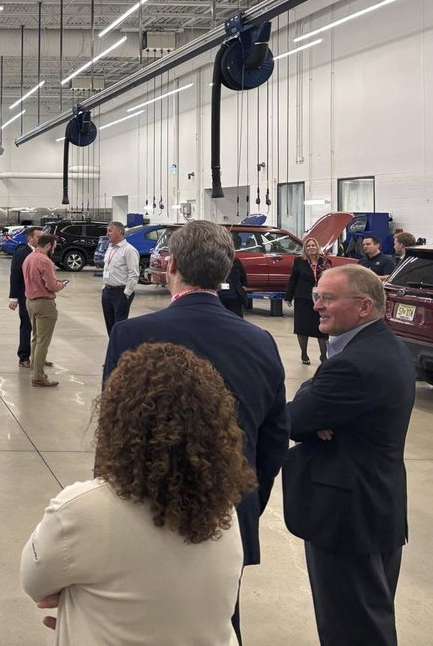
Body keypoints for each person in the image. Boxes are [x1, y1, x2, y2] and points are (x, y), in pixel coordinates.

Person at [103, 220, 288, 640]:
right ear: (227, 271)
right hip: (227, 511)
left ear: (171, 266)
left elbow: (112, 435)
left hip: (145, 511)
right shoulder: (261, 342)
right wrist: (245, 504)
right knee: (220, 621)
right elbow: (275, 443)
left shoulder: (131, 334)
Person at [21, 342, 256, 645]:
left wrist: (85, 610)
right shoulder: (224, 510)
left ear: (116, 421)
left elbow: (34, 583)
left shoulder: (80, 510)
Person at [282, 265, 416, 646]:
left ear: (363, 306)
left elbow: (293, 418)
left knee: (353, 630)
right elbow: (311, 404)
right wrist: (314, 407)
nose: (318, 305)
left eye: (328, 298)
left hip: (348, 517)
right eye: (317, 296)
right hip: (373, 508)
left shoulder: (356, 364)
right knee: (365, 618)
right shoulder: (374, 347)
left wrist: (310, 413)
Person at [23, 233, 68, 388]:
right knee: (43, 341)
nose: (54, 249)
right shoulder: (45, 261)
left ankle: (35, 368)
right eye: (54, 246)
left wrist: (54, 281)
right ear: (49, 246)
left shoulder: (29, 258)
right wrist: (60, 285)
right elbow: (50, 286)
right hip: (44, 304)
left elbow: (37, 279)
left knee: (36, 338)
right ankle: (38, 376)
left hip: (30, 301)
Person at [286, 236, 332, 364]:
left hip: (321, 298)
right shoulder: (299, 261)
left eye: (313, 245)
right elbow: (293, 279)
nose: (311, 247)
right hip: (303, 298)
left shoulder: (326, 262)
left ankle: (323, 356)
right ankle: (304, 354)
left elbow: (330, 280)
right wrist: (288, 297)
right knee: (302, 327)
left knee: (322, 328)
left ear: (318, 247)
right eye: (308, 246)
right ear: (305, 249)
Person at [100, 221, 141, 335]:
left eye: (110, 231)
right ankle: (113, 348)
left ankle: (120, 350)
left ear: (119, 231)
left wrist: (126, 293)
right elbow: (107, 269)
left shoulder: (129, 250)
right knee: (110, 325)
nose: (107, 234)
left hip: (120, 293)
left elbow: (134, 274)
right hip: (107, 291)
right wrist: (104, 287)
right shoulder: (110, 248)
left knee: (119, 326)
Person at [8, 227, 40, 366]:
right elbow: (15, 276)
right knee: (27, 326)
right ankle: (24, 357)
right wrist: (13, 298)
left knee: (39, 328)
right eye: (38, 237)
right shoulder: (22, 253)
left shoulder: (43, 253)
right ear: (30, 238)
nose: (41, 239)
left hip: (39, 297)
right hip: (25, 296)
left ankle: (39, 356)